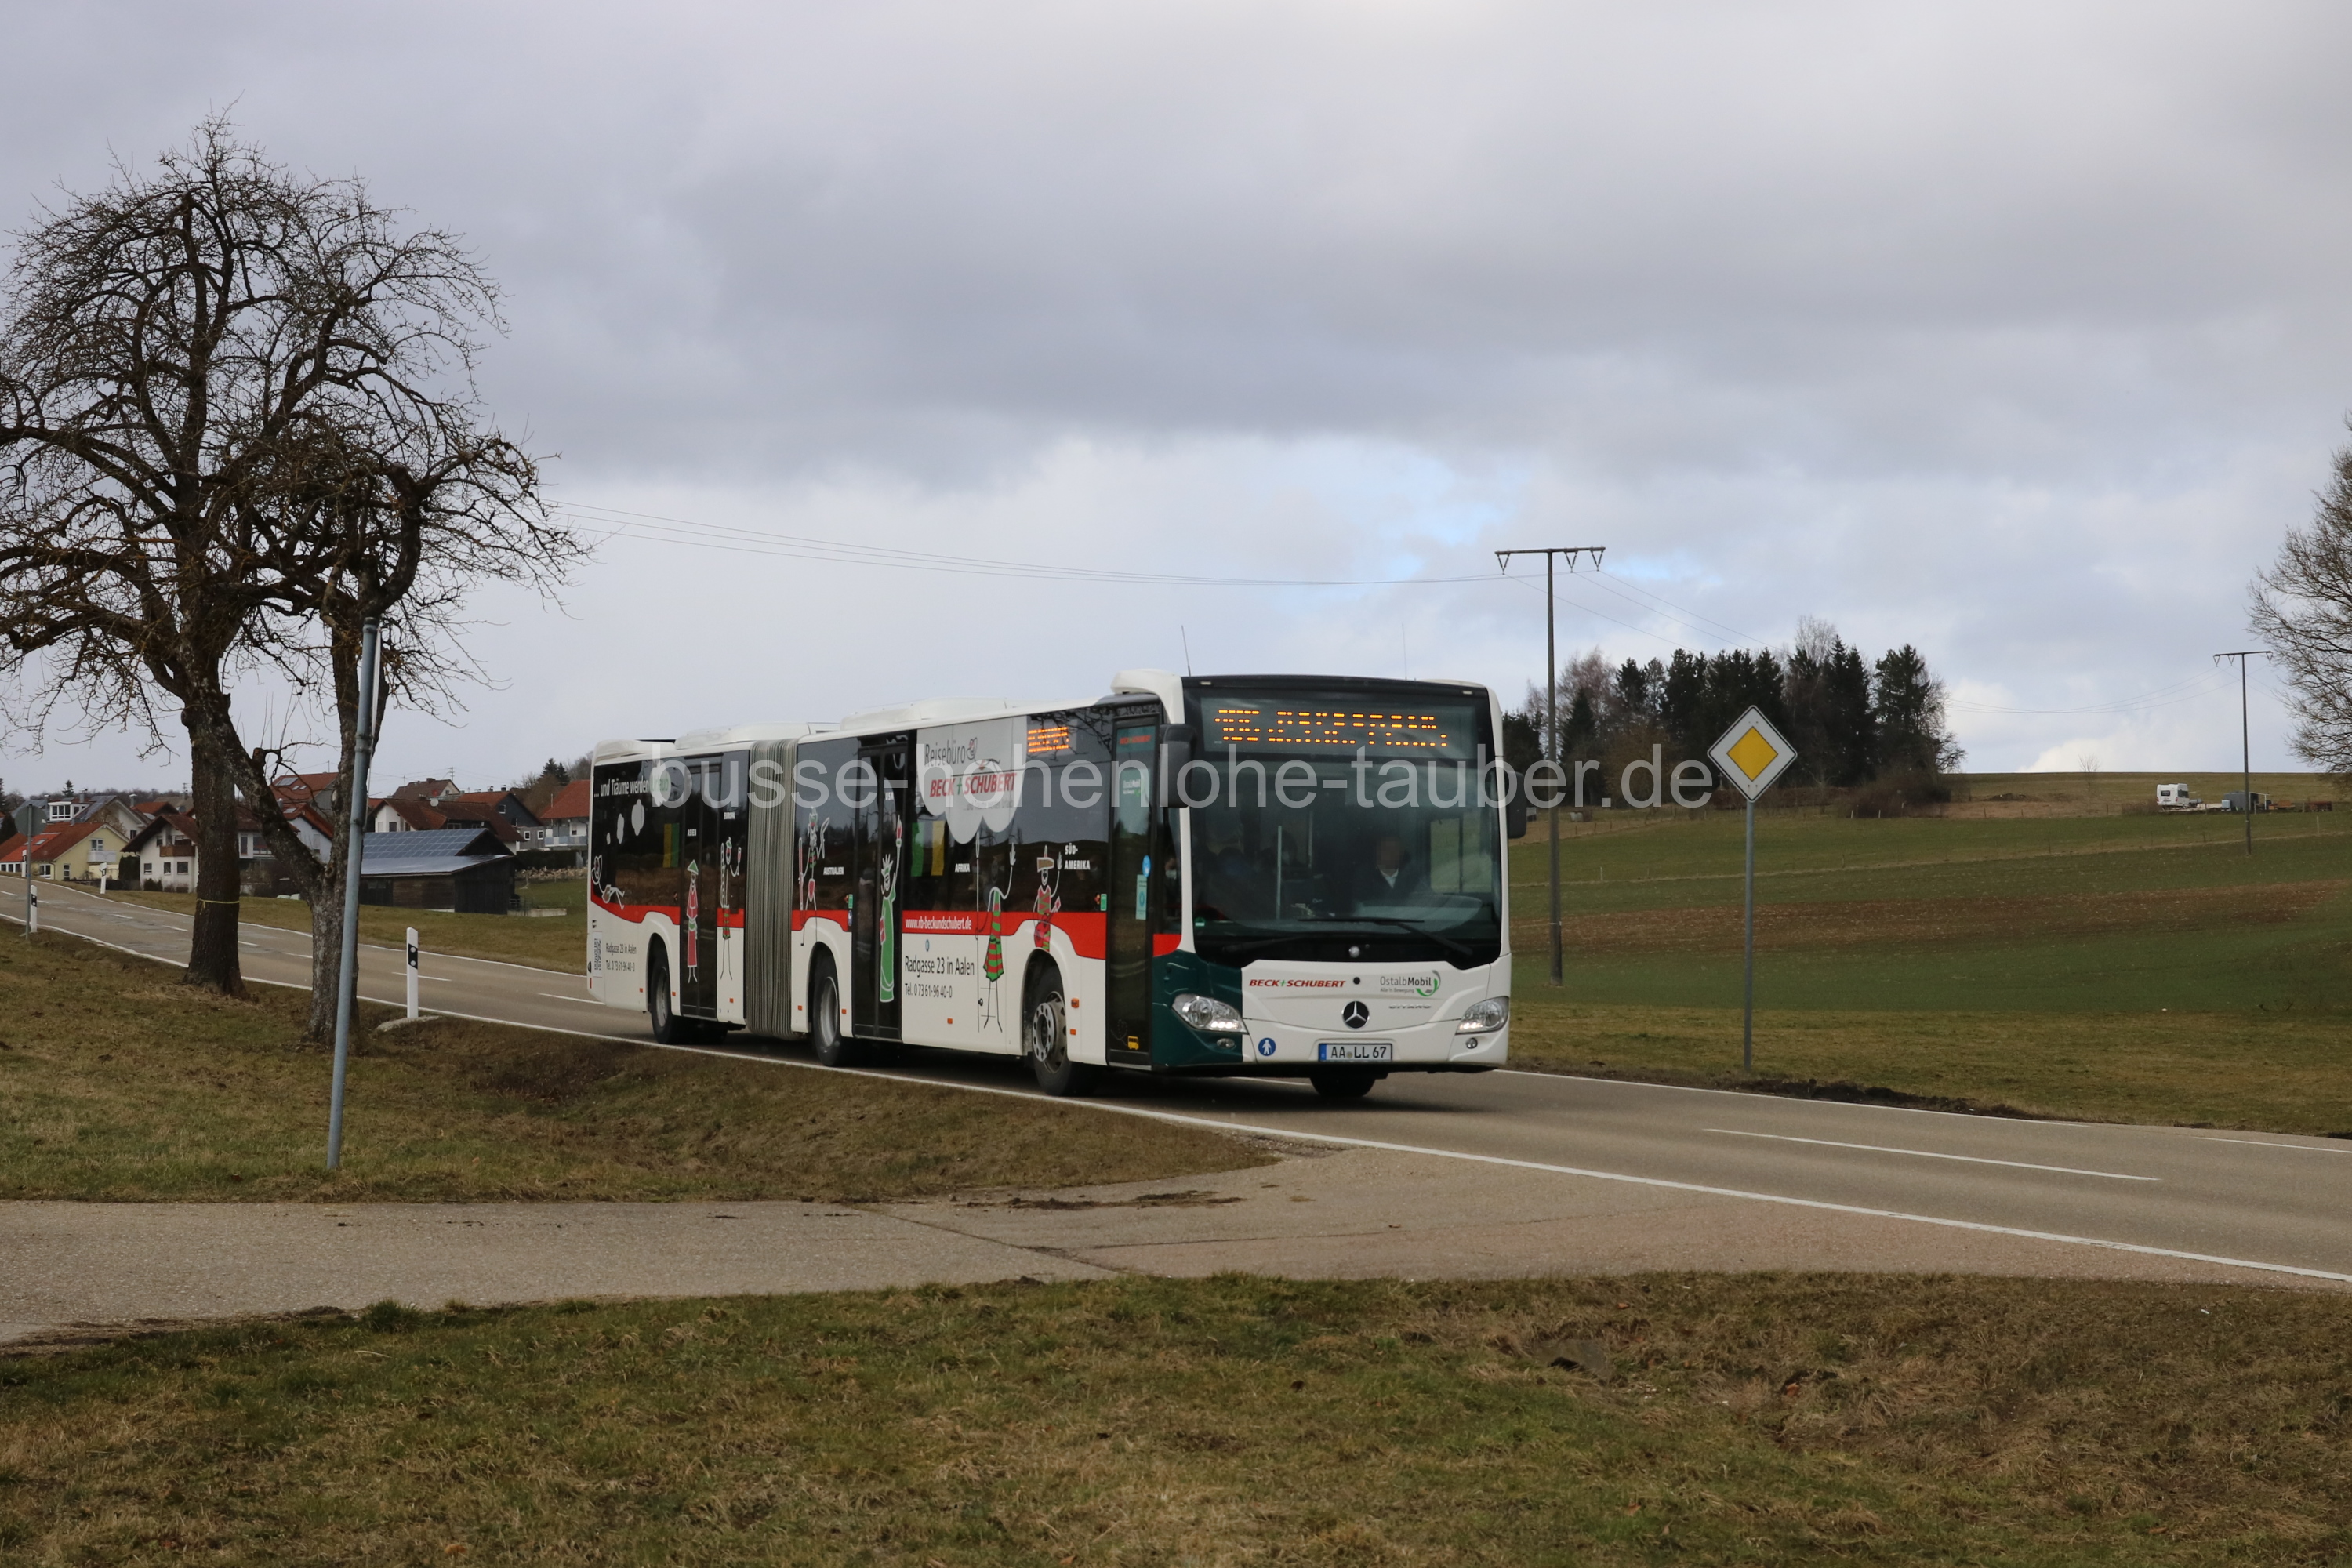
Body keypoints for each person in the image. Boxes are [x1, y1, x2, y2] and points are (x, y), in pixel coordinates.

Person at [1349, 831, 1426, 909]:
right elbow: (1361, 905)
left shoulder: (1411, 874)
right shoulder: (1364, 875)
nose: (1392, 854)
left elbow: (1423, 900)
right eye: (1387, 849)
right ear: (1378, 852)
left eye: (1396, 849)